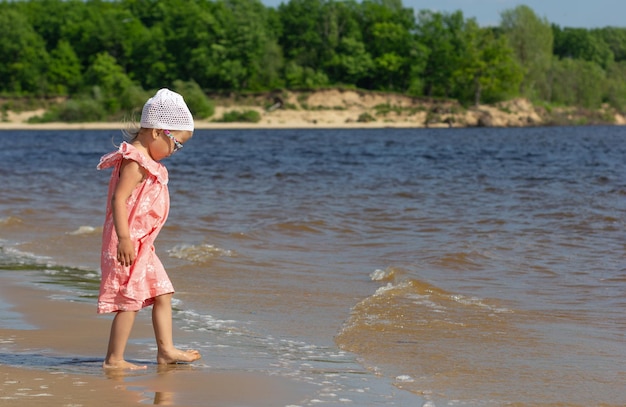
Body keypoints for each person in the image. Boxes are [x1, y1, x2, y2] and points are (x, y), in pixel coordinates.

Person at [97, 88, 201, 369]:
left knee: (162, 293)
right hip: (128, 245)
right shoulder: (135, 162)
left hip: (143, 244)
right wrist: (124, 239)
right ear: (157, 132)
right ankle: (114, 359)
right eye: (177, 144)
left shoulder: (148, 161)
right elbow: (119, 200)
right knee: (129, 300)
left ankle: (166, 350)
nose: (176, 151)